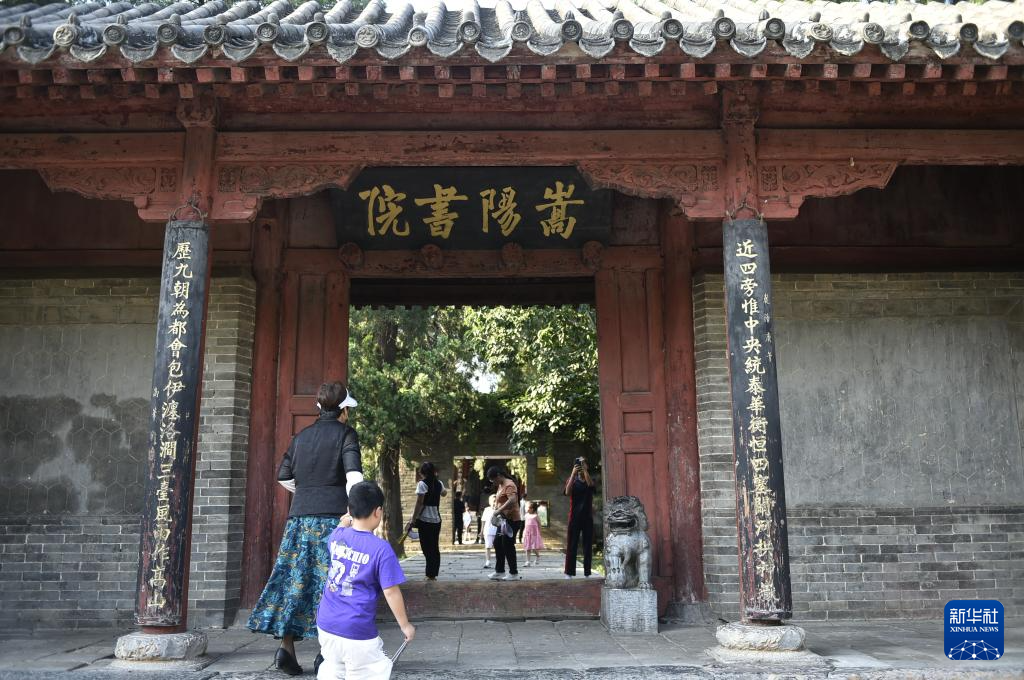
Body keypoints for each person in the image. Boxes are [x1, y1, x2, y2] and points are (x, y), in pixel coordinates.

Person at [248, 381, 363, 676]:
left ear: (319, 408)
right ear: (344, 411)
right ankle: (326, 655)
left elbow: (283, 476)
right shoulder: (346, 434)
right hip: (333, 520)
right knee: (332, 583)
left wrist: (308, 492)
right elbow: (354, 476)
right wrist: (357, 511)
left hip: (299, 520)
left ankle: (286, 648)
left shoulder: (301, 437)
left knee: (295, 581)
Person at [317, 481, 415, 680]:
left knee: (333, 667)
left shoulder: (336, 536)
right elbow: (391, 591)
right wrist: (405, 625)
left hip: (326, 625)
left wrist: (346, 520)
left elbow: (341, 525)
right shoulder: (381, 549)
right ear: (378, 512)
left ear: (349, 509)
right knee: (372, 671)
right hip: (357, 630)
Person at [405, 462, 446, 580]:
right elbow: (444, 493)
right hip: (436, 519)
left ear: (422, 472)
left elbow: (419, 502)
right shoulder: (439, 483)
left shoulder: (422, 484)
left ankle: (430, 574)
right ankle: (432, 574)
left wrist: (413, 519)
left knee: (426, 548)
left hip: (424, 520)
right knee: (434, 547)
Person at [486, 466, 521, 581]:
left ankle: (513, 573)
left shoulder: (509, 484)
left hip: (512, 520)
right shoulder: (501, 485)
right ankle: (499, 571)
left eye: (494, 480)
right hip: (503, 521)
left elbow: (512, 500)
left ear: (498, 476)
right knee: (497, 543)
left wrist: (499, 510)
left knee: (507, 545)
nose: (493, 483)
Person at [563, 457, 595, 579]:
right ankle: (569, 573)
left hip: (587, 517)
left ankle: (587, 573)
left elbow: (591, 486)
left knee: (587, 546)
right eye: (579, 464)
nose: (581, 466)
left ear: (586, 465)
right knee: (572, 545)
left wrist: (585, 471)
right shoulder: (572, 480)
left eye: (583, 463)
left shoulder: (589, 479)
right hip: (574, 517)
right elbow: (567, 492)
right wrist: (573, 474)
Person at [522, 502, 545, 566]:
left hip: (534, 534)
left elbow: (539, 525)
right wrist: (524, 532)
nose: (528, 509)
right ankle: (528, 561)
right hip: (527, 534)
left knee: (534, 548)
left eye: (529, 508)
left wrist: (539, 533)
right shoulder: (526, 515)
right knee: (527, 548)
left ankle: (538, 556)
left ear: (533, 509)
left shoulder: (536, 516)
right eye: (527, 507)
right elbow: (525, 525)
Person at [480, 493, 497, 569]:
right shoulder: (487, 510)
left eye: (496, 501)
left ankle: (498, 561)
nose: (494, 502)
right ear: (489, 502)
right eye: (493, 501)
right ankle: (488, 561)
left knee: (498, 547)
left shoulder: (500, 509)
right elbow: (483, 521)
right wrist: (481, 531)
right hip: (488, 530)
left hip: (497, 531)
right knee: (488, 546)